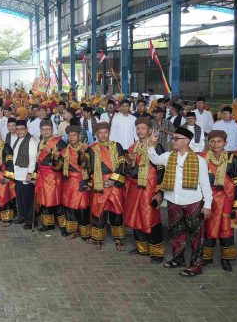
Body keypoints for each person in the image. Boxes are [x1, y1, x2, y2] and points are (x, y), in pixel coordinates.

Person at [147, 127, 214, 277]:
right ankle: (178, 259)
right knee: (176, 232)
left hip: (193, 202)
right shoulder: (168, 156)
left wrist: (208, 205)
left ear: (187, 141)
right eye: (173, 138)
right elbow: (154, 159)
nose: (173, 141)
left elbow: (205, 185)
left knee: (196, 235)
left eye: (176, 138)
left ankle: (196, 266)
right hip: (173, 201)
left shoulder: (199, 160)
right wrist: (151, 145)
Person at [201, 130, 237, 272]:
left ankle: (226, 259)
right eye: (213, 141)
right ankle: (206, 257)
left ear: (225, 143)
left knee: (226, 230)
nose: (216, 144)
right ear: (208, 143)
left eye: (219, 141)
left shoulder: (233, 159)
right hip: (209, 201)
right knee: (208, 228)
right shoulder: (203, 158)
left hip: (228, 202)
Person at [124, 118, 165, 264]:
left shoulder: (157, 146)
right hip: (135, 187)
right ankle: (142, 248)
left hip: (150, 187)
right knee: (136, 216)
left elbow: (162, 169)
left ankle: (157, 252)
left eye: (143, 128)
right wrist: (129, 161)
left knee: (151, 218)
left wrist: (159, 191)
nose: (140, 131)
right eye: (138, 128)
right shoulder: (132, 147)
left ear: (149, 130)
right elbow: (128, 169)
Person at [88, 122, 127, 251]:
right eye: (100, 133)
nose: (103, 135)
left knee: (117, 211)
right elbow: (88, 167)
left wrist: (113, 180)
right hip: (100, 183)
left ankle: (118, 239)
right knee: (99, 211)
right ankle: (98, 238)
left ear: (109, 132)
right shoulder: (91, 148)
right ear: (96, 134)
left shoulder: (117, 146)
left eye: (105, 132)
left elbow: (122, 165)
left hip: (115, 183)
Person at [55, 125, 91, 241]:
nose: (71, 137)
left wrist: (81, 152)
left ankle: (85, 233)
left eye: (74, 135)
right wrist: (55, 158)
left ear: (79, 136)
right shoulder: (64, 151)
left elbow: (85, 165)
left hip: (82, 181)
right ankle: (72, 231)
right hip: (68, 183)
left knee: (83, 208)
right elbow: (57, 168)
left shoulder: (87, 149)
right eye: (69, 135)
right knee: (69, 208)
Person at [34, 119, 66, 234]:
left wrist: (52, 153)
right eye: (43, 129)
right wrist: (35, 173)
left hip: (53, 175)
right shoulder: (40, 142)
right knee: (43, 200)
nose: (45, 131)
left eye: (48, 129)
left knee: (57, 200)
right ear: (40, 130)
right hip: (42, 174)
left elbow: (64, 160)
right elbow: (37, 160)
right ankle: (48, 224)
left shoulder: (59, 142)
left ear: (52, 129)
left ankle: (64, 226)